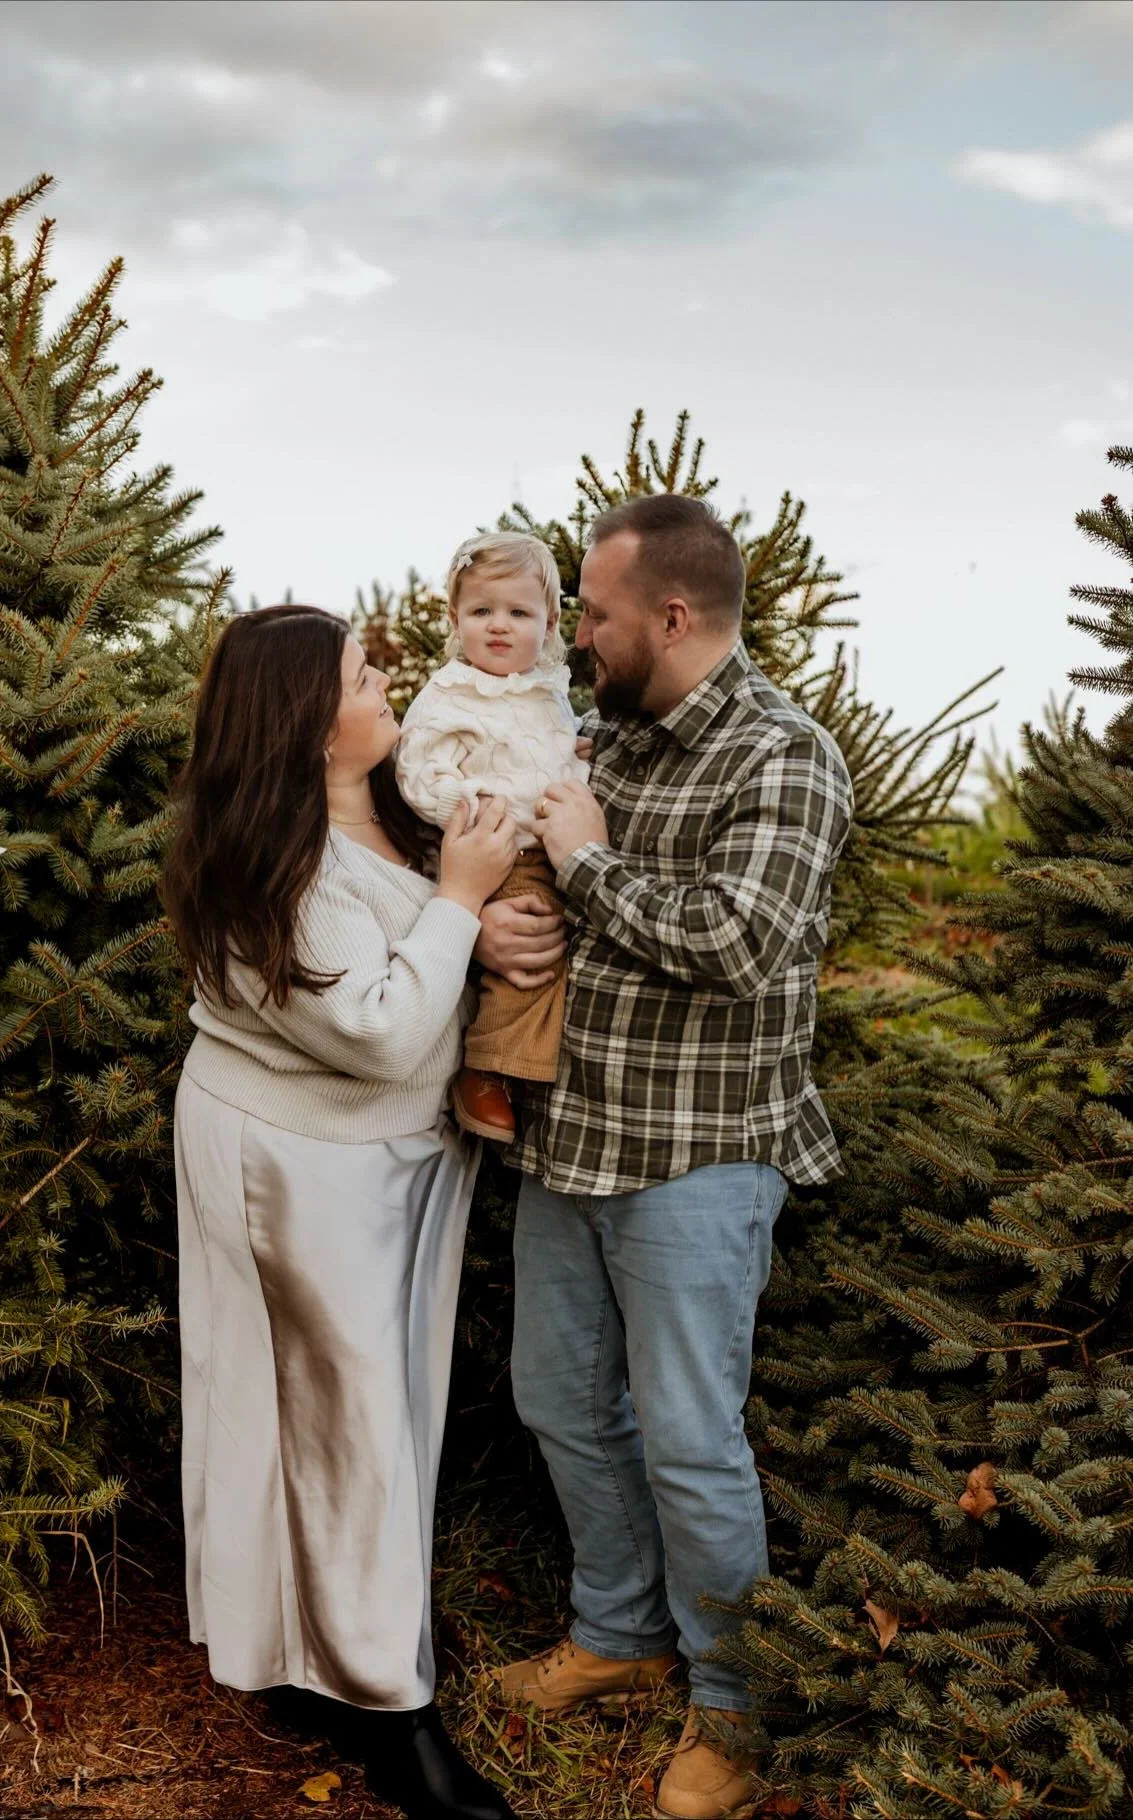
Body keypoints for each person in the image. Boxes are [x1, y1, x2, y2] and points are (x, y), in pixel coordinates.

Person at [487, 495, 855, 1820]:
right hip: (572, 1140)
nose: (575, 635)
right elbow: (528, 869)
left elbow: (739, 941)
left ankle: (734, 1706)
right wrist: (503, 924)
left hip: (699, 1159)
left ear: (674, 615)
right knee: (558, 1398)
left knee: (693, 1441)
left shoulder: (784, 755)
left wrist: (587, 867)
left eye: (592, 613)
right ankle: (620, 1631)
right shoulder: (604, 733)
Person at [160, 604, 522, 1820]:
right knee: (343, 1419)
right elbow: (378, 1030)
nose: (386, 686)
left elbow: (437, 938)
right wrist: (461, 900)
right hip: (295, 1161)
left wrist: (483, 905)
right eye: (365, 677)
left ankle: (316, 1651)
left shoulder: (393, 805)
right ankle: (390, 1707)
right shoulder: (281, 861)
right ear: (310, 726)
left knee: (362, 1411)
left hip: (390, 1158)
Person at [395, 531, 588, 1144]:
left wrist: (580, 758)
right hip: (494, 846)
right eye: (482, 610)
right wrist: (476, 806)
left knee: (564, 944)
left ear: (549, 623)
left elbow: (552, 751)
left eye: (518, 613)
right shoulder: (449, 694)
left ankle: (525, 1065)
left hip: (549, 841)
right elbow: (417, 772)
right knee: (530, 944)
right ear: (456, 619)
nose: (499, 625)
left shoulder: (549, 692)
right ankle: (487, 1069)